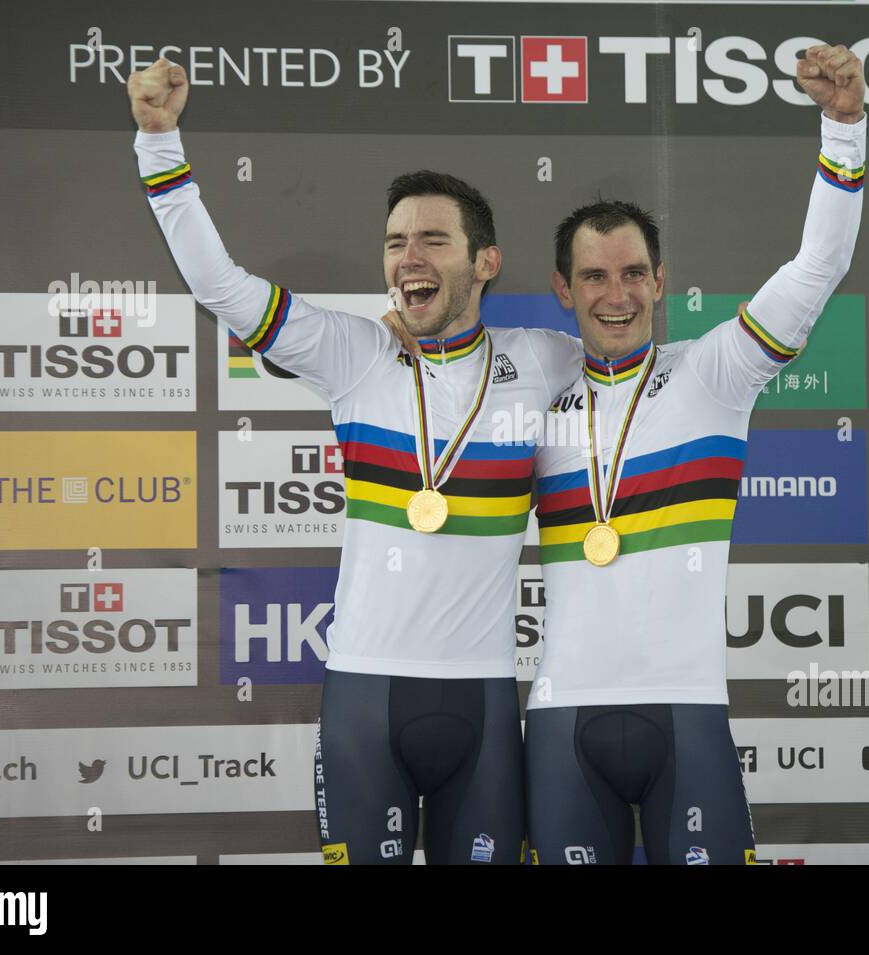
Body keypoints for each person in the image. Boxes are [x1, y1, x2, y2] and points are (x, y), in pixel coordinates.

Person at [126, 58, 582, 865]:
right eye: (396, 242)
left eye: (434, 240)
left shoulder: (542, 359)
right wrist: (160, 143)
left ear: (485, 262)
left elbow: (645, 369)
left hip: (481, 695)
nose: (411, 255)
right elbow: (222, 288)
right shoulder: (354, 352)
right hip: (363, 695)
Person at [524, 44, 867, 865]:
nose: (619, 294)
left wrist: (844, 126)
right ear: (564, 288)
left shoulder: (716, 371)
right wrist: (406, 326)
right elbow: (430, 357)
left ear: (661, 279)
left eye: (636, 273)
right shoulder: (525, 382)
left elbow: (817, 267)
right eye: (596, 276)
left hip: (688, 712)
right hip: (562, 715)